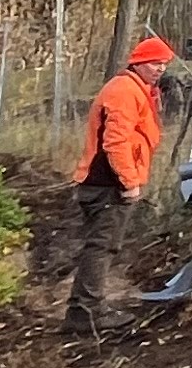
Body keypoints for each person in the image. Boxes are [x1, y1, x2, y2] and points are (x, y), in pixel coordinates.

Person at [66, 34, 178, 331]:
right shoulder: (125, 91)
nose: (160, 69)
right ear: (138, 62)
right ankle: (85, 313)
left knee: (102, 247)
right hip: (107, 185)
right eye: (155, 63)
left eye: (164, 64)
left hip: (103, 183)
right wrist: (128, 181)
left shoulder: (133, 89)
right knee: (101, 248)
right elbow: (115, 143)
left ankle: (86, 308)